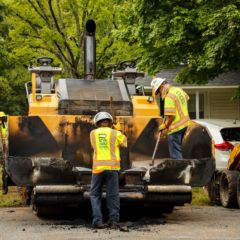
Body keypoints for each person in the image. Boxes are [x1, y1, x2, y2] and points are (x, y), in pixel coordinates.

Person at [89, 111, 127, 229]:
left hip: (98, 169)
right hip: (112, 168)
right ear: (110, 122)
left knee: (95, 194)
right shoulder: (115, 133)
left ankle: (97, 221)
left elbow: (93, 146)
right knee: (113, 195)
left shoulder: (93, 133)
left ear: (97, 122)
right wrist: (119, 130)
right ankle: (114, 221)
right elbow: (125, 143)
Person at [151, 77, 190, 159]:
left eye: (159, 91)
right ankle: (181, 168)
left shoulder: (169, 97)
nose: (160, 94)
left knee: (175, 154)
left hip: (175, 128)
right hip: (185, 124)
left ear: (162, 86)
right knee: (178, 149)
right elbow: (186, 99)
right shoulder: (178, 90)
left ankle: (178, 169)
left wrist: (165, 125)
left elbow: (171, 116)